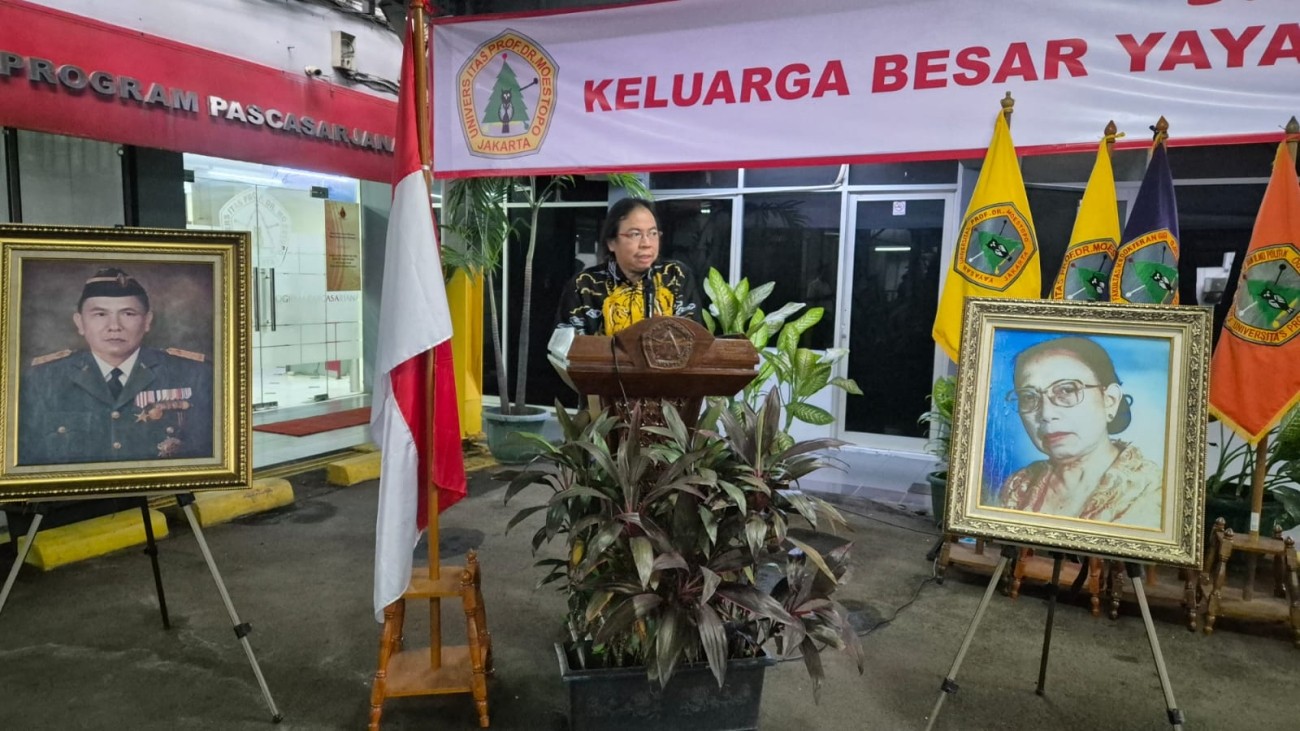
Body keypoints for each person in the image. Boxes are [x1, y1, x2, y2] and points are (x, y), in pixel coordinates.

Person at [18, 268, 214, 465]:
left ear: (147, 321)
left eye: (128, 313)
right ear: (80, 322)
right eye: (100, 314)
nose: (114, 326)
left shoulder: (195, 375)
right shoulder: (40, 380)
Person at [997, 336, 1162, 529]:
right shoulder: (1019, 486)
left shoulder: (1153, 492)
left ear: (1110, 400)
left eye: (1066, 390)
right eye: (1028, 397)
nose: (1047, 414)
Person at [556, 197, 702, 336]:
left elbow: (692, 339)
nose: (646, 243)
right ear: (611, 242)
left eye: (652, 233)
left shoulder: (675, 275)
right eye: (635, 234)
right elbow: (566, 349)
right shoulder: (585, 284)